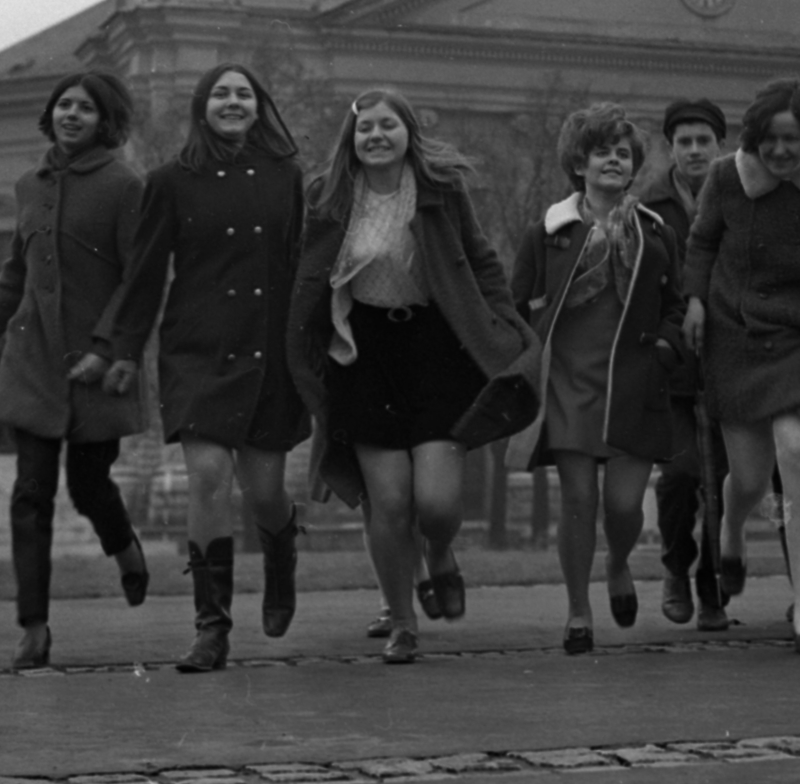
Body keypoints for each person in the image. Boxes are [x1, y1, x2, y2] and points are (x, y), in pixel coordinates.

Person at [288, 89, 540, 665]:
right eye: (364, 129)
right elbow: (306, 271)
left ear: (408, 133)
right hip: (364, 353)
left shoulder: (440, 190)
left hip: (435, 347)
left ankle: (442, 553)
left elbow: (480, 260)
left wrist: (498, 318)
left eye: (387, 126)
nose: (375, 136)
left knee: (438, 503)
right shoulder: (329, 197)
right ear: (351, 141)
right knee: (390, 501)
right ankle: (403, 622)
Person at [0, 71, 147, 670]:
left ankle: (124, 546)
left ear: (105, 120)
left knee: (88, 486)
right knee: (30, 492)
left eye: (85, 108)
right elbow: (14, 275)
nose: (71, 115)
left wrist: (109, 351)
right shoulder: (29, 185)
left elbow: (138, 281)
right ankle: (33, 625)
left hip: (92, 367)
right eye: (63, 106)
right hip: (31, 361)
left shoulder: (124, 186)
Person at [104, 64, 308, 673]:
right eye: (221, 93)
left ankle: (280, 552)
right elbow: (143, 274)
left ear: (258, 105)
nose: (232, 102)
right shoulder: (170, 181)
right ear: (202, 106)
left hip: (269, 350)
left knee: (265, 493)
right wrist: (121, 349)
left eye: (244, 93)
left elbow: (301, 264)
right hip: (197, 350)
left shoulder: (286, 177)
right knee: (208, 477)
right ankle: (211, 628)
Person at [683, 79, 800, 655]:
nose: (781, 153)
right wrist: (693, 301)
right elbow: (702, 244)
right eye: (770, 142)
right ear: (754, 139)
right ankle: (732, 529)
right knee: (753, 478)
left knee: (798, 454)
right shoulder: (724, 178)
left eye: (793, 141)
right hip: (735, 333)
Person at [511, 103, 684, 655]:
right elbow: (518, 303)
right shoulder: (549, 229)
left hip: (634, 381)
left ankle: (619, 561)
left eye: (624, 152)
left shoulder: (656, 232)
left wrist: (665, 346)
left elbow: (675, 307)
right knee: (579, 499)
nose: (614, 159)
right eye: (601, 150)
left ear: (634, 166)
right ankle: (578, 610)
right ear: (579, 163)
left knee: (625, 506)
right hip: (569, 381)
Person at [639, 97, 732, 632]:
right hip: (671, 368)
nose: (695, 150)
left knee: (722, 484)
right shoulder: (648, 207)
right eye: (684, 141)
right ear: (669, 147)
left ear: (721, 145)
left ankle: (713, 590)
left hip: (729, 364)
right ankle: (676, 568)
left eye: (704, 140)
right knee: (678, 478)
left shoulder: (739, 198)